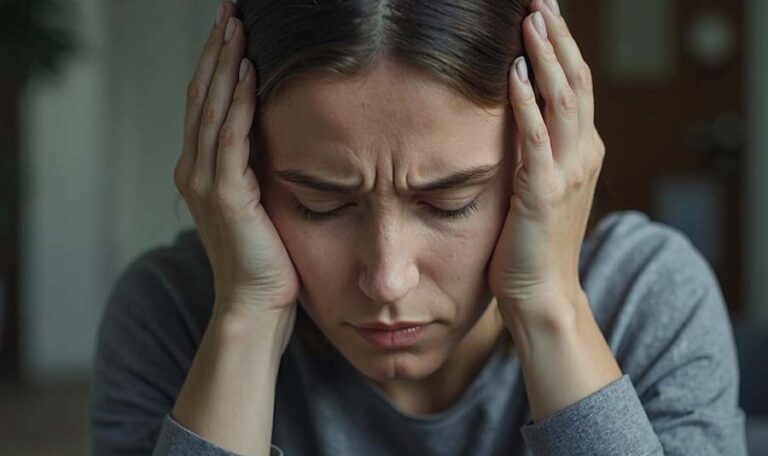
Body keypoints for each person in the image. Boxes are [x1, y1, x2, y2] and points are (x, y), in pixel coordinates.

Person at [89, 0, 748, 455]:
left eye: (451, 200)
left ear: (546, 156)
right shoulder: (172, 313)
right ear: (243, 168)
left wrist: (551, 310)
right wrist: (246, 321)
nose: (387, 277)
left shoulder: (649, 296)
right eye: (320, 203)